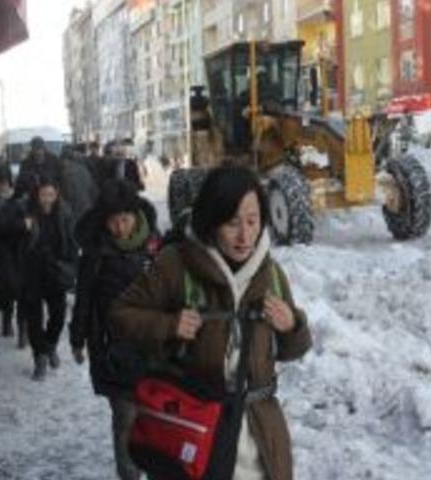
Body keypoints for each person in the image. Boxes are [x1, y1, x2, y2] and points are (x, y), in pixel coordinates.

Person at [112, 166, 312, 480]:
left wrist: (292, 326)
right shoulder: (176, 264)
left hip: (258, 438)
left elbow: (293, 349)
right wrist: (169, 325)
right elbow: (121, 315)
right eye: (232, 223)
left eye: (253, 220)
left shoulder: (271, 275)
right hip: (193, 432)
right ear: (211, 219)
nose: (245, 235)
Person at [70, 180, 161, 480]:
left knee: (152, 414)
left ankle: (152, 466)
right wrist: (78, 338)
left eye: (125, 220)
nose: (120, 228)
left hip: (153, 344)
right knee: (125, 415)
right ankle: (128, 473)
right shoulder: (96, 253)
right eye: (113, 222)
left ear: (136, 216)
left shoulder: (156, 246)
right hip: (111, 347)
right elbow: (83, 298)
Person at [20, 178, 78, 381]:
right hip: (32, 271)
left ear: (57, 195)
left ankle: (50, 345)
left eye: (51, 195)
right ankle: (40, 358)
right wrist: (23, 229)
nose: (47, 199)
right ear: (37, 195)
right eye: (43, 195)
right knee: (34, 318)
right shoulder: (26, 212)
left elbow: (72, 241)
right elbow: (15, 241)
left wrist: (72, 265)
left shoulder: (64, 212)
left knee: (58, 316)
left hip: (56, 270)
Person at [0, 163, 27, 338]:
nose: (3, 186)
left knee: (9, 288)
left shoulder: (15, 200)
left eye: (5, 182)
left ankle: (6, 322)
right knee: (1, 288)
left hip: (14, 251)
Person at [59, 145, 99, 226]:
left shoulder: (62, 172)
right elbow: (93, 189)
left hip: (72, 210)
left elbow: (62, 193)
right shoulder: (84, 169)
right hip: (87, 207)